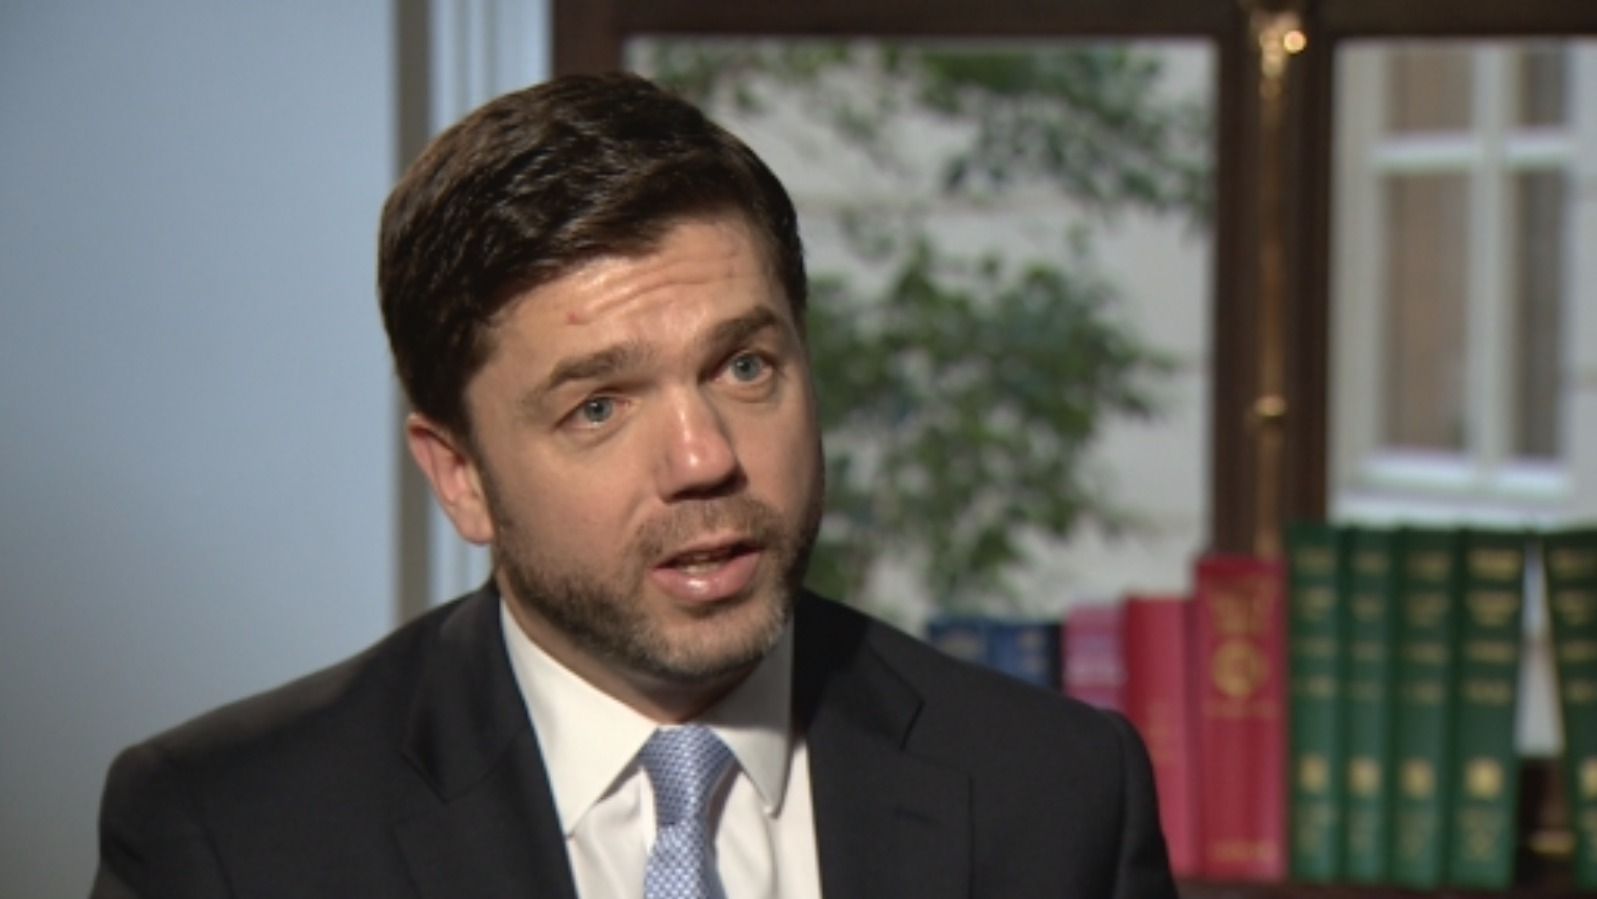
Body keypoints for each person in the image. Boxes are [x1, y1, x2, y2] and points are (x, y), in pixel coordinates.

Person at [91, 72, 1178, 899]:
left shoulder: (1058, 795)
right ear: (460, 475)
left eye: (743, 367)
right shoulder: (230, 834)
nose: (703, 457)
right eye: (599, 407)